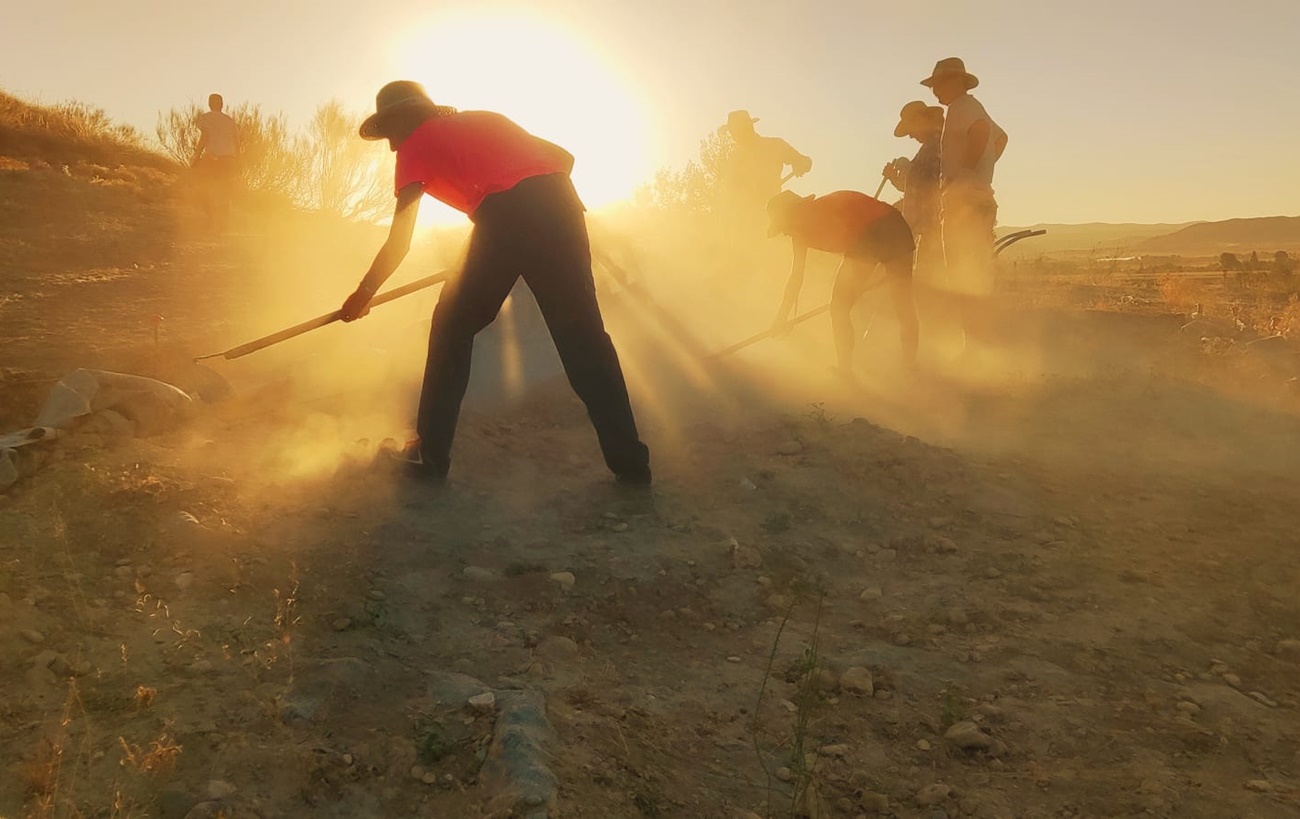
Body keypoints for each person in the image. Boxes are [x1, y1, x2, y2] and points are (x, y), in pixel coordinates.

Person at [338, 81, 651, 486]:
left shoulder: (416, 142)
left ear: (402, 120)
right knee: (584, 339)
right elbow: (564, 157)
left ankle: (430, 456)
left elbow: (400, 239)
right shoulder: (488, 119)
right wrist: (536, 205)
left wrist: (363, 294)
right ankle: (631, 465)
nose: (392, 146)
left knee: (452, 325)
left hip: (504, 215)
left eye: (389, 132)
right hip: (563, 208)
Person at [766, 189, 919, 379]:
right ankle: (850, 370)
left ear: (794, 214)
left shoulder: (821, 213)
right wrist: (781, 317)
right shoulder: (800, 231)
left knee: (897, 302)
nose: (785, 233)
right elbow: (797, 275)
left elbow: (862, 239)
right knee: (843, 306)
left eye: (784, 226)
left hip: (887, 228)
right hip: (881, 232)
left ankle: (906, 367)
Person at [921, 58, 1008, 350]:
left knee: (961, 276)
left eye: (938, 85)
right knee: (975, 274)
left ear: (955, 82)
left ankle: (972, 349)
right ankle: (980, 346)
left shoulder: (961, 108)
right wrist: (985, 169)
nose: (935, 92)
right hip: (979, 198)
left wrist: (968, 170)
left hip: (963, 203)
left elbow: (982, 132)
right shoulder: (972, 106)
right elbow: (1001, 138)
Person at [718, 110, 813, 235]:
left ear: (748, 128)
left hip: (773, 214)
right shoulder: (734, 158)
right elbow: (728, 192)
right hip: (743, 221)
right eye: (733, 133)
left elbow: (804, 161)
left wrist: (801, 164)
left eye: (736, 132)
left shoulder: (774, 145)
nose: (734, 136)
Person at [883, 101, 945, 286]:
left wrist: (908, 169)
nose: (910, 135)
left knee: (931, 280)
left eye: (911, 129)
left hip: (932, 227)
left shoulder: (939, 145)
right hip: (923, 229)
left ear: (921, 120)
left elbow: (934, 183)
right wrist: (895, 178)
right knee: (924, 279)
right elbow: (915, 188)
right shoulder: (928, 147)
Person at [190, 93, 240, 232]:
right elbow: (236, 142)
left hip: (212, 159)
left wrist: (196, 155)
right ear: (222, 104)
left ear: (209, 104)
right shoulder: (230, 121)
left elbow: (205, 136)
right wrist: (239, 160)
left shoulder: (205, 118)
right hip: (229, 160)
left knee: (207, 188)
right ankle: (223, 226)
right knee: (225, 191)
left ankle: (211, 222)